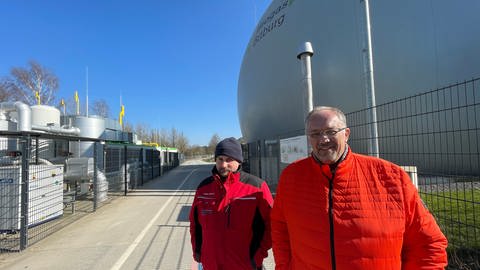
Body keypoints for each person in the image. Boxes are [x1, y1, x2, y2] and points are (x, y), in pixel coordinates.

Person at [271, 106, 448, 269]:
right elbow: (280, 227)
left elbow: (429, 244)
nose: (323, 139)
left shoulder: (391, 177)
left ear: (346, 134)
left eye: (331, 131)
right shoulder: (291, 177)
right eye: (315, 134)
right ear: (308, 138)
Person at [190, 137, 274, 270]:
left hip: (244, 265)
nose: (223, 165)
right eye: (220, 159)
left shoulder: (257, 187)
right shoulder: (203, 188)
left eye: (229, 159)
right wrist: (198, 252)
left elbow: (272, 225)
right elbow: (195, 224)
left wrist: (258, 255)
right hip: (211, 264)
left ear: (239, 161)